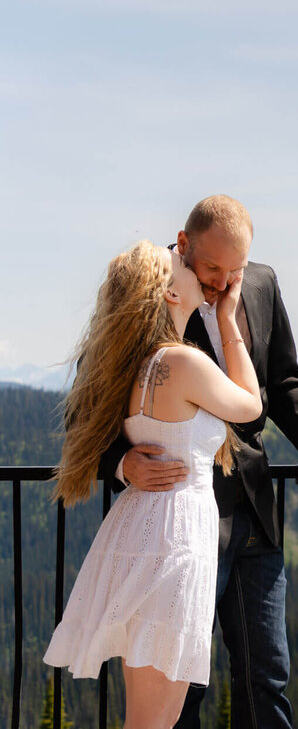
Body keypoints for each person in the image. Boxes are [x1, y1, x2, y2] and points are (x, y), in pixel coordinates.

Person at [96, 195, 298, 729]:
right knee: (185, 683)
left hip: (255, 517)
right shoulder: (153, 286)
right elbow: (97, 396)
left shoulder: (263, 284)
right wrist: (122, 465)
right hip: (181, 524)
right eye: (212, 268)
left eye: (236, 269)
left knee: (267, 675)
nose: (225, 282)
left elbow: (285, 385)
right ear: (183, 245)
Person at [45, 241, 262, 729]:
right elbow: (251, 406)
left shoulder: (131, 367)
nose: (189, 269)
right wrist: (228, 322)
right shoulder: (183, 364)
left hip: (145, 530)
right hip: (177, 539)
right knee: (153, 719)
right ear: (168, 294)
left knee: (149, 715)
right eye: (183, 266)